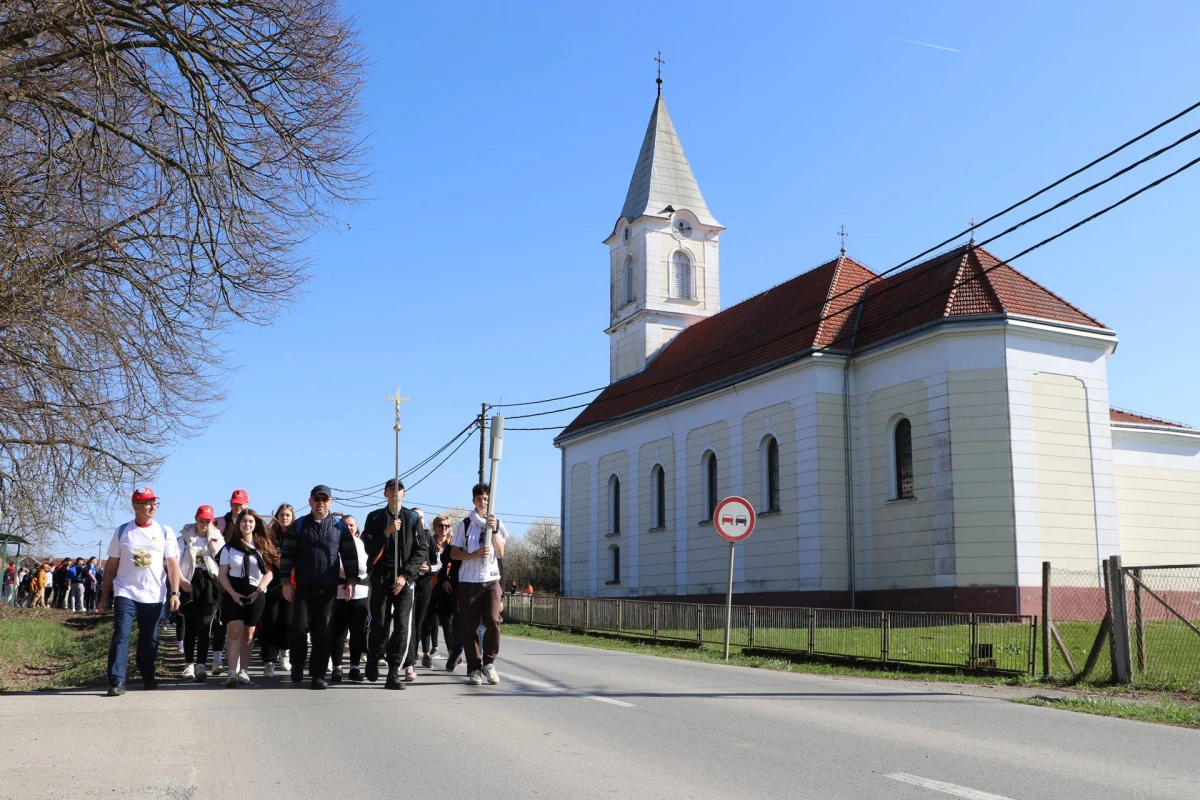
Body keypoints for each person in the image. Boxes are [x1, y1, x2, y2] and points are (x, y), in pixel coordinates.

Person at [98, 487, 182, 696]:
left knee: (149, 637)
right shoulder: (122, 531)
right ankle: (117, 680)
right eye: (147, 503)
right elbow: (111, 565)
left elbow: (172, 564)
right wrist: (104, 595)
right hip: (125, 591)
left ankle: (147, 673)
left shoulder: (165, 531)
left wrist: (175, 593)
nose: (152, 506)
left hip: (154, 594)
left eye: (155, 502)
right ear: (135, 506)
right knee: (121, 634)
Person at [278, 485, 359, 690]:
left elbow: (350, 555)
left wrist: (350, 580)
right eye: (317, 499)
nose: (320, 502)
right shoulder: (299, 525)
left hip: (329, 589)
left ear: (330, 503)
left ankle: (318, 675)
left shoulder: (338, 526)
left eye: (324, 499)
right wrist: (286, 582)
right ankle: (297, 663)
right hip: (303, 587)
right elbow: (287, 556)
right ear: (310, 501)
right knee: (299, 628)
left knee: (323, 632)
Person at [361, 479, 428, 689]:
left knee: (402, 625)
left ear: (403, 494)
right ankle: (373, 655)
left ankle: (393, 670)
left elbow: (422, 550)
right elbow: (368, 545)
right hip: (381, 575)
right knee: (379, 621)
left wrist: (406, 575)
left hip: (404, 578)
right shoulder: (375, 517)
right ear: (385, 494)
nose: (395, 494)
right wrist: (387, 532)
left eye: (398, 490)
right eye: (391, 490)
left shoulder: (413, 518)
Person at [451, 483, 507, 686]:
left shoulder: (498, 524)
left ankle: (489, 663)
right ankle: (474, 667)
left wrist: (493, 531)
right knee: (469, 627)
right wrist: (472, 555)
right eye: (479, 499)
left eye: (486, 499)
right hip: (469, 581)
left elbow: (500, 553)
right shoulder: (465, 524)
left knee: (493, 620)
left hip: (491, 579)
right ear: (474, 500)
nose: (483, 502)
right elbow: (454, 552)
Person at [217, 508, 275, 687]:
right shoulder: (229, 547)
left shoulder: (262, 546)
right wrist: (233, 594)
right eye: (243, 521)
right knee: (234, 632)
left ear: (255, 524)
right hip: (234, 593)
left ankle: (244, 670)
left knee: (249, 634)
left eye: (250, 521)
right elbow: (222, 574)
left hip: (255, 594)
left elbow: (269, 573)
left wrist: (258, 591)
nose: (247, 524)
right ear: (238, 524)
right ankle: (232, 672)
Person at [177, 505, 223, 681]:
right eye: (201, 520)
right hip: (190, 581)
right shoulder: (184, 539)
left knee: (205, 626)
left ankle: (201, 665)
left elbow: (224, 562)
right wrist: (181, 580)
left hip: (210, 581)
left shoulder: (218, 539)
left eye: (207, 521)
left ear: (212, 522)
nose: (204, 524)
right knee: (189, 625)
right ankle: (189, 664)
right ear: (196, 519)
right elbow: (175, 561)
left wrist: (214, 549)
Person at [329, 515, 369, 683]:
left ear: (356, 527)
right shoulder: (334, 544)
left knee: (358, 633)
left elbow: (366, 567)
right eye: (346, 525)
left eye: (352, 525)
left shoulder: (362, 544)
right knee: (338, 632)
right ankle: (337, 668)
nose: (349, 528)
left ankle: (354, 668)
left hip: (360, 592)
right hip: (338, 592)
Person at [258, 504, 295, 678]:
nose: (284, 518)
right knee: (270, 622)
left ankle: (285, 652)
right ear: (277, 517)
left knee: (288, 622)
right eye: (281, 515)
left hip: (293, 583)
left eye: (287, 515)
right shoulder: (270, 536)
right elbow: (266, 557)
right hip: (273, 582)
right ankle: (269, 661)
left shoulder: (297, 534)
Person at [417, 514, 454, 668]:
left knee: (448, 621)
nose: (444, 529)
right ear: (435, 527)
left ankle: (452, 653)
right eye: (441, 526)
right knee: (427, 621)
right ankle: (426, 653)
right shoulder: (429, 541)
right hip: (430, 585)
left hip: (447, 587)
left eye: (447, 526)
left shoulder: (453, 543)